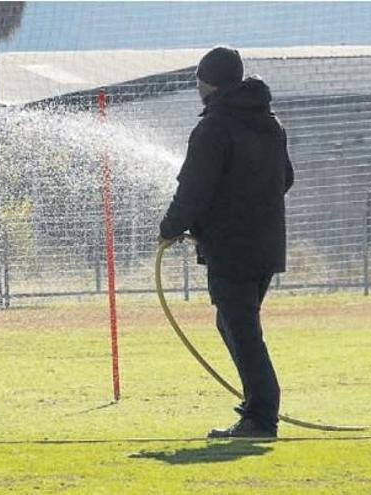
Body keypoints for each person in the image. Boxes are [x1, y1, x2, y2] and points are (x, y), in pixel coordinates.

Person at [159, 46, 294, 439]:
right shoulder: (271, 124)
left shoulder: (213, 127)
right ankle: (256, 410)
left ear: (209, 82)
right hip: (266, 246)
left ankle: (261, 417)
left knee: (241, 330)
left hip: (231, 249)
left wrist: (170, 227)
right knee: (236, 324)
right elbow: (284, 179)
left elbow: (194, 189)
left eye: (199, 79)